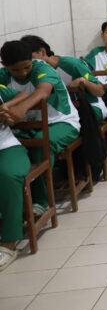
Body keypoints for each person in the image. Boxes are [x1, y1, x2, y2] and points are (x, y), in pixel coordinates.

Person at [0, 40, 81, 214]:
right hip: (26, 127)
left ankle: (41, 201)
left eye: (26, 67)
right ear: (4, 65)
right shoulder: (3, 75)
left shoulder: (42, 68)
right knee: (13, 150)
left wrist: (21, 107)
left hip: (61, 122)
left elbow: (43, 91)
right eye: (16, 70)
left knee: (40, 143)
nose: (22, 73)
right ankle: (16, 201)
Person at [21, 35, 107, 122]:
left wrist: (83, 81)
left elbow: (100, 91)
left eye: (31, 59)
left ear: (43, 52)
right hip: (61, 114)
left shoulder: (72, 64)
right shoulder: (32, 73)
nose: (29, 64)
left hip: (91, 106)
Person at [0, 81, 31, 271]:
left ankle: (9, 243)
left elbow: (21, 94)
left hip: (7, 147)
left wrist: (6, 109)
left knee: (9, 176)